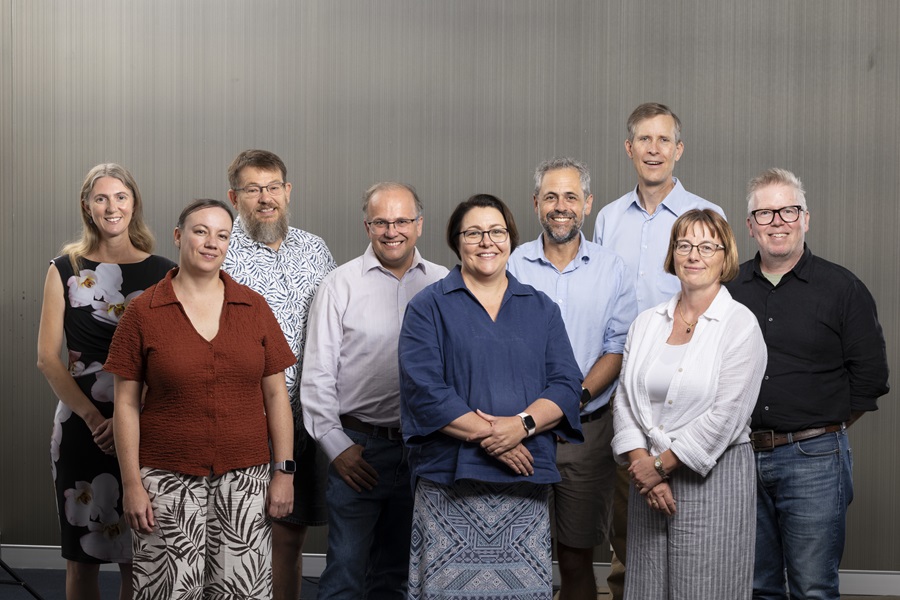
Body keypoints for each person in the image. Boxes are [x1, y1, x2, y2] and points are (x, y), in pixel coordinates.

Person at [105, 199, 296, 599]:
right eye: (200, 231)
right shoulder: (143, 312)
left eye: (222, 235)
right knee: (168, 592)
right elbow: (124, 405)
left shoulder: (254, 307)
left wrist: (284, 472)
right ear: (178, 236)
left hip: (246, 480)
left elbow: (277, 394)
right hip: (164, 479)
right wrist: (132, 484)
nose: (211, 243)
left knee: (240, 592)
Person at [399, 193, 584, 600]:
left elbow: (567, 385)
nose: (487, 241)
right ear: (456, 241)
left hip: (524, 480)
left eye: (496, 231)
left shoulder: (541, 309)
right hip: (450, 481)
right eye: (474, 233)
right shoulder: (428, 307)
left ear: (511, 238)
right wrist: (494, 438)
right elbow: (423, 390)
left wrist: (520, 427)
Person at [725, 168, 889, 600]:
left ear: (806, 218)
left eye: (789, 210)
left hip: (815, 457)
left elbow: (870, 377)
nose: (778, 221)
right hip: (739, 458)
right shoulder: (729, 289)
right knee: (756, 587)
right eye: (765, 213)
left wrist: (819, 429)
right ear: (750, 226)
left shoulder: (843, 288)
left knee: (813, 587)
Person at [591, 102, 725, 599]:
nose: (654, 149)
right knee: (629, 519)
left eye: (663, 140)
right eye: (644, 140)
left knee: (690, 514)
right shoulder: (606, 219)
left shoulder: (706, 218)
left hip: (690, 386)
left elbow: (719, 304)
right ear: (629, 150)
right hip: (625, 386)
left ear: (679, 149)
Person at [301, 183, 448, 599]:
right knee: (345, 573)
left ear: (420, 225)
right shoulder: (339, 285)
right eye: (381, 221)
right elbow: (316, 376)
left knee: (398, 575)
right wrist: (337, 447)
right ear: (367, 226)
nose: (391, 231)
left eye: (402, 220)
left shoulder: (444, 285)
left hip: (423, 449)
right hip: (358, 449)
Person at [612, 208, 767, 600]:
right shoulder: (646, 323)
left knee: (706, 588)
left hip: (713, 476)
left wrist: (660, 466)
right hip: (645, 474)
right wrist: (642, 466)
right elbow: (625, 400)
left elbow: (727, 415)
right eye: (684, 245)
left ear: (725, 256)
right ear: (673, 253)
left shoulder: (740, 324)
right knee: (646, 587)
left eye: (706, 246)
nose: (694, 254)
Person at [36, 163, 175, 600]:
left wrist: (127, 420)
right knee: (82, 557)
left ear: (134, 204)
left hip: (148, 421)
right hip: (82, 424)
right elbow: (47, 359)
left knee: (141, 558)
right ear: (87, 206)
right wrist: (97, 417)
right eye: (101, 198)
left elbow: (169, 359)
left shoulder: (163, 272)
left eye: (120, 197)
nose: (111, 207)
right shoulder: (63, 268)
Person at [508, 158, 637, 600]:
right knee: (519, 551)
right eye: (550, 197)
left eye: (570, 197)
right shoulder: (510, 264)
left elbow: (616, 349)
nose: (560, 207)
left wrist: (570, 399)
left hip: (588, 431)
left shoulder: (614, 269)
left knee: (577, 555)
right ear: (535, 203)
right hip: (521, 434)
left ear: (587, 203)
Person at [223, 149, 335, 600]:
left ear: (287, 192)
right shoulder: (218, 249)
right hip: (243, 416)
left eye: (273, 188)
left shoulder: (315, 248)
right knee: (242, 537)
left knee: (290, 535)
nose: (265, 198)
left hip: (307, 416)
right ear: (234, 197)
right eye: (252, 189)